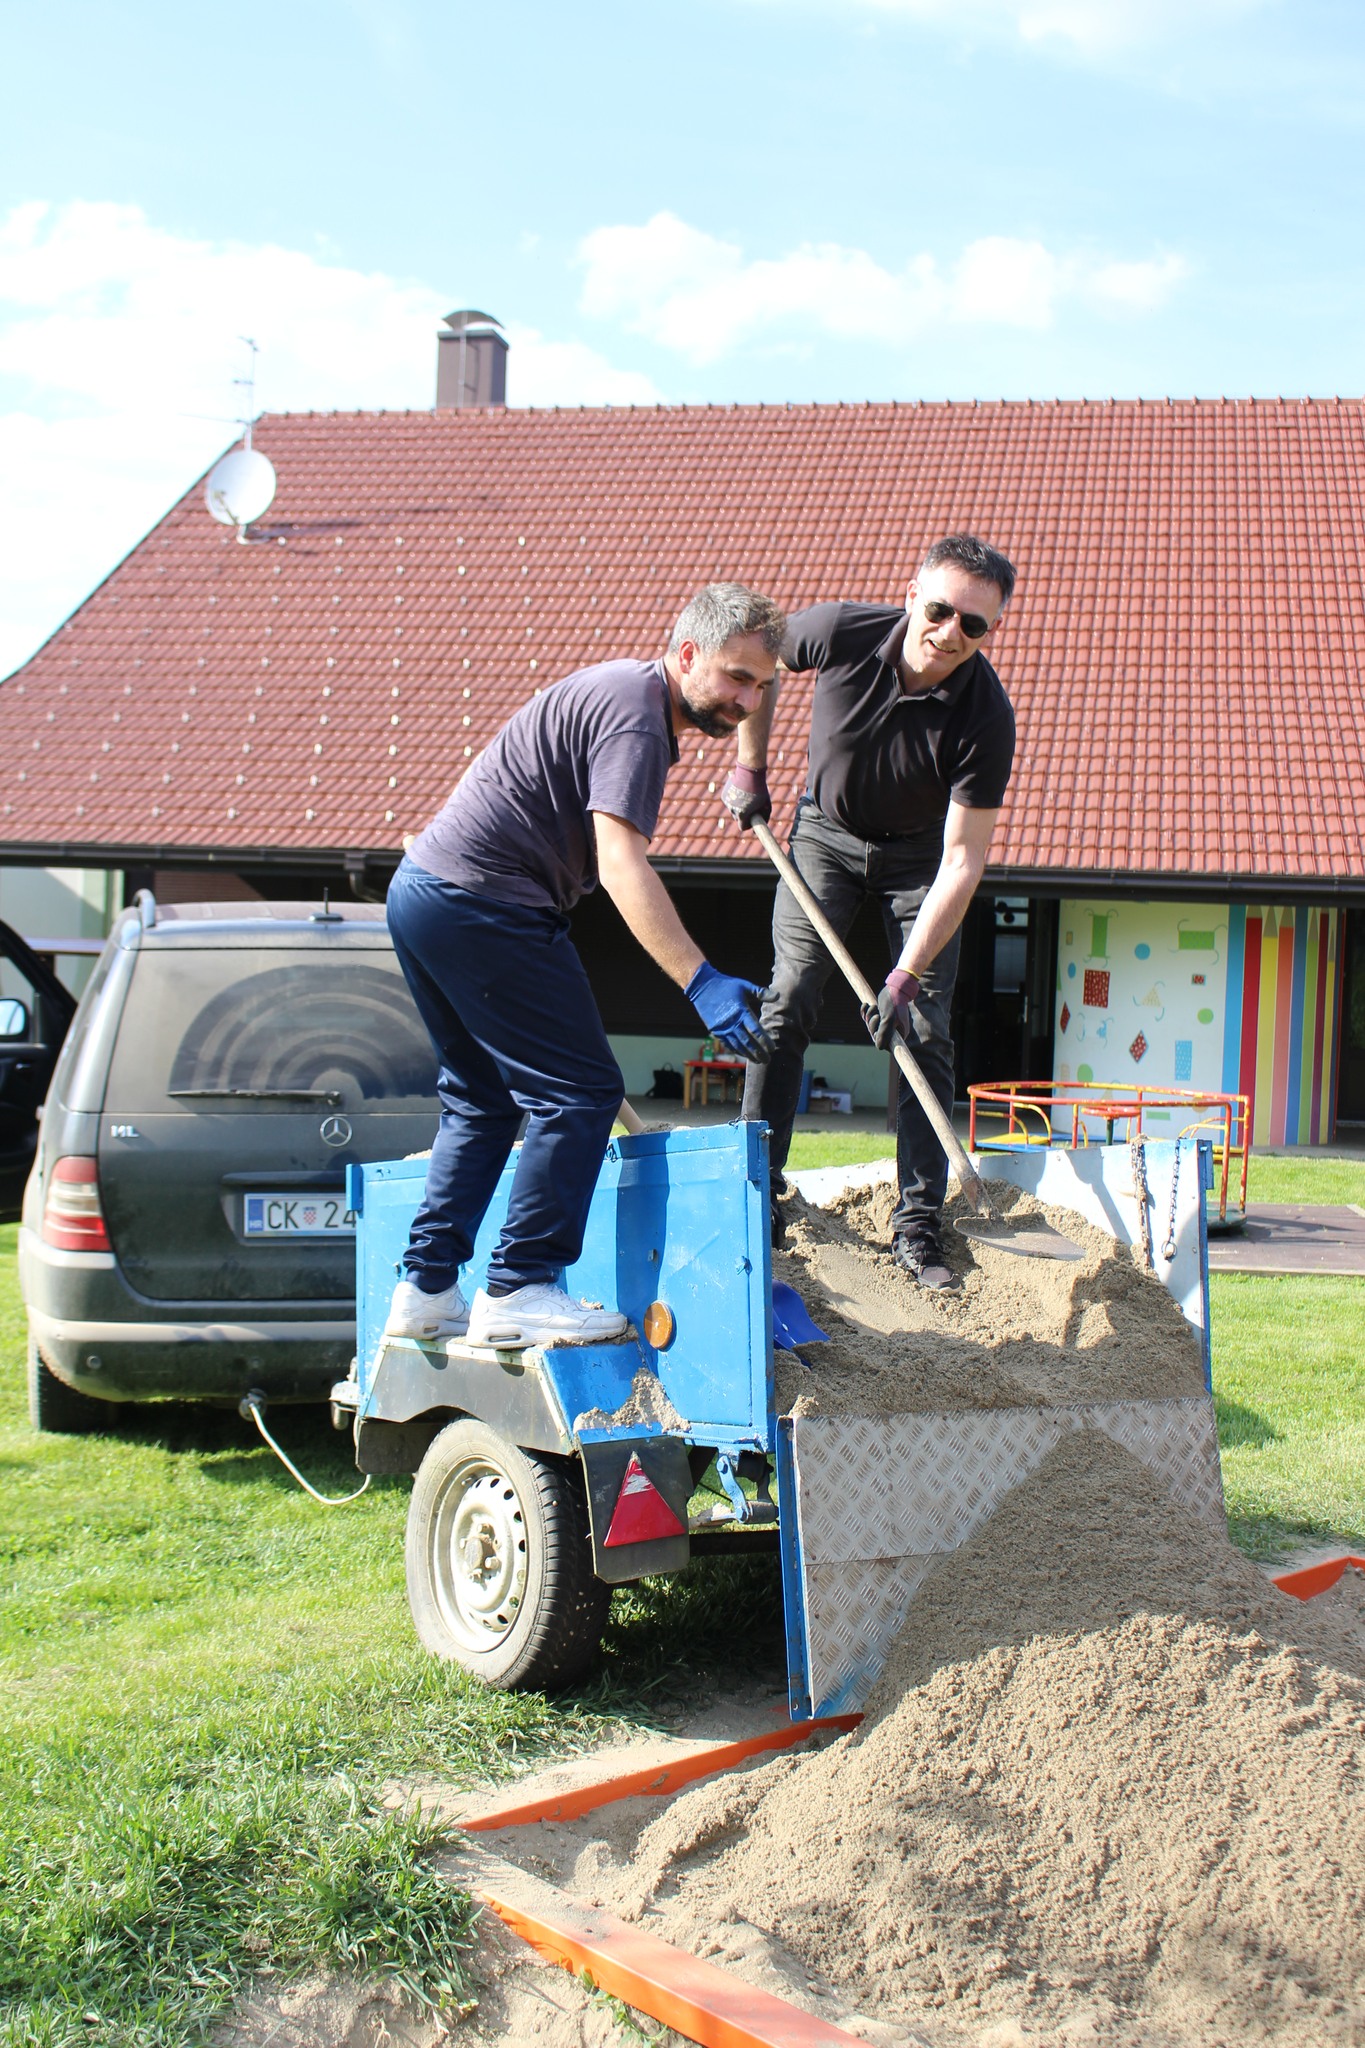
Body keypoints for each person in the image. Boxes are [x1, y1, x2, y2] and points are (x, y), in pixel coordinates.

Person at [385, 582, 785, 1350]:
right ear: (688, 654)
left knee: (481, 1102)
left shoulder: (621, 693)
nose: (746, 699)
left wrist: (750, 761)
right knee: (580, 1090)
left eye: (762, 686)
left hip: (429, 895)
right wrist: (701, 981)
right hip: (483, 903)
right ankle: (518, 1287)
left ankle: (428, 1288)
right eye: (736, 677)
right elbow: (620, 861)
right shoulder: (635, 720)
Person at [724, 534, 1017, 1291]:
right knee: (788, 998)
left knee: (921, 1028)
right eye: (940, 609)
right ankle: (757, 1193)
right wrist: (749, 765)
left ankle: (919, 1227)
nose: (951, 631)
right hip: (823, 833)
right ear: (914, 591)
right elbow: (759, 662)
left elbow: (963, 860)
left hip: (920, 861)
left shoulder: (985, 715)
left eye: (974, 625)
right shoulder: (842, 631)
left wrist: (906, 973)